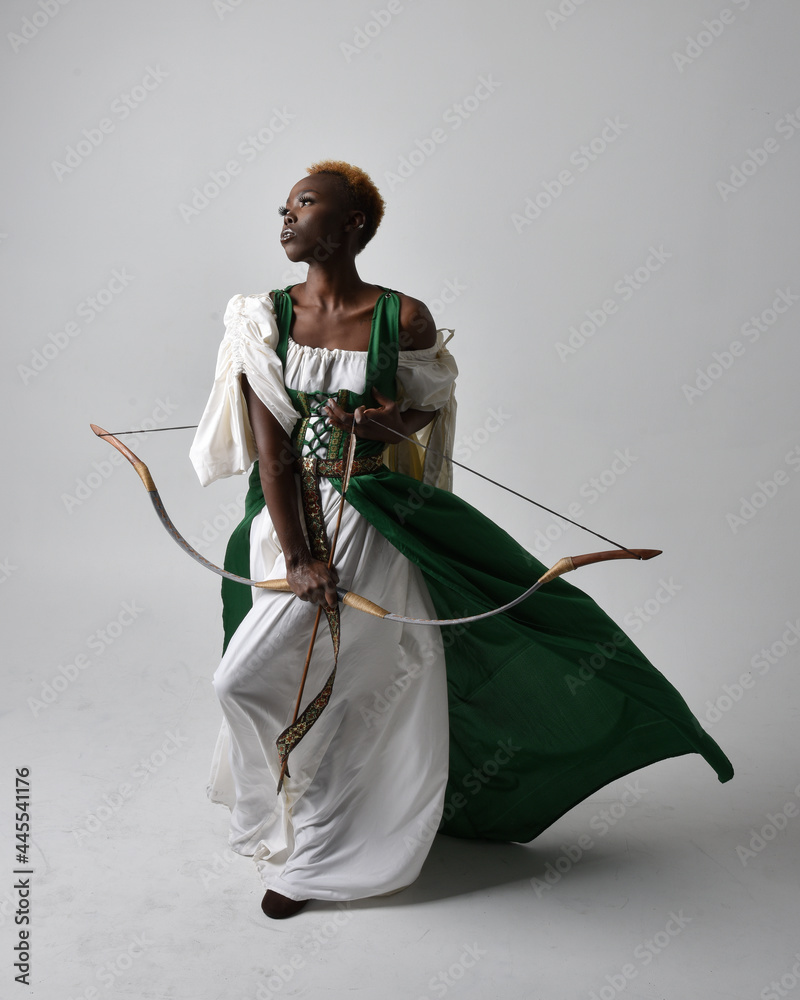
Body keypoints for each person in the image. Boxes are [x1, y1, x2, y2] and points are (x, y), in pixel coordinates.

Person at [189, 160, 734, 920]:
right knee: (245, 680)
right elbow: (272, 448)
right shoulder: (261, 318)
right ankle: (278, 812)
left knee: (358, 691)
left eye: (305, 204)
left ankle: (323, 855)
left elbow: (416, 413)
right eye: (283, 205)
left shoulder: (401, 318)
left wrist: (370, 422)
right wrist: (304, 556)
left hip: (371, 526)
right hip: (288, 531)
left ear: (352, 226)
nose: (286, 217)